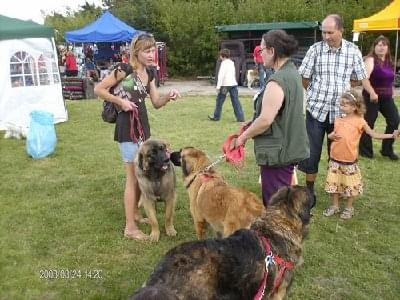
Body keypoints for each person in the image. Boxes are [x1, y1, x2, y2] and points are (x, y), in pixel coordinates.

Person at [94, 33, 180, 241]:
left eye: (153, 50)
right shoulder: (123, 70)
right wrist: (120, 102)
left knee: (143, 172)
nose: (152, 55)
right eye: (147, 51)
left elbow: (156, 102)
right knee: (133, 179)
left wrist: (168, 96)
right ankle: (130, 227)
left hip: (144, 130)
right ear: (136, 52)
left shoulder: (149, 73)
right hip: (127, 130)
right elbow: (99, 89)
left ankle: (135, 213)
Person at [297, 14, 378, 198]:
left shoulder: (353, 51)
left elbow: (360, 76)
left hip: (341, 115)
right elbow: (304, 77)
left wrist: (369, 91)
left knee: (339, 153)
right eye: (323, 32)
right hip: (316, 112)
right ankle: (309, 189)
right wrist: (315, 94)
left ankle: (337, 186)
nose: (326, 36)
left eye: (330, 32)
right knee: (312, 153)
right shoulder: (315, 50)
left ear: (341, 30)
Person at [231, 30, 309, 206]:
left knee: (275, 206)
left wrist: (243, 137)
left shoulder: (277, 80)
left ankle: (275, 233)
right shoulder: (292, 73)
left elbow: (266, 120)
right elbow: (280, 113)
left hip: (278, 153)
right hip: (287, 147)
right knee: (284, 203)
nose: (260, 54)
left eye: (261, 50)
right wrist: (252, 123)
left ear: (272, 51)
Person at [323, 89, 399, 219]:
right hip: (335, 159)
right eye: (341, 104)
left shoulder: (360, 121)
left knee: (350, 185)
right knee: (334, 184)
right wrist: (331, 135)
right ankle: (335, 206)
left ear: (355, 106)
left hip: (349, 160)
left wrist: (391, 135)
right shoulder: (338, 120)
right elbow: (331, 136)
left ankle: (349, 208)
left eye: (345, 104)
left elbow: (373, 134)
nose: (342, 106)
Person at [359, 35, 400, 160]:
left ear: (388, 47)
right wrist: (371, 92)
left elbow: (389, 79)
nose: (381, 47)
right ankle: (365, 151)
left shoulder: (389, 61)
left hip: (386, 97)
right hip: (372, 97)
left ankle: (386, 149)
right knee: (369, 122)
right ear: (375, 46)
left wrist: (392, 91)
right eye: (379, 45)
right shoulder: (370, 60)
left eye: (384, 45)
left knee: (394, 120)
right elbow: (364, 79)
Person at [208, 49, 245, 122]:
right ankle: (240, 118)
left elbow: (221, 76)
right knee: (235, 101)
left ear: (222, 56)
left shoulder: (223, 63)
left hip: (225, 86)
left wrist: (218, 87)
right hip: (233, 85)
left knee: (220, 100)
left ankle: (216, 117)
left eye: (220, 55)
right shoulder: (232, 62)